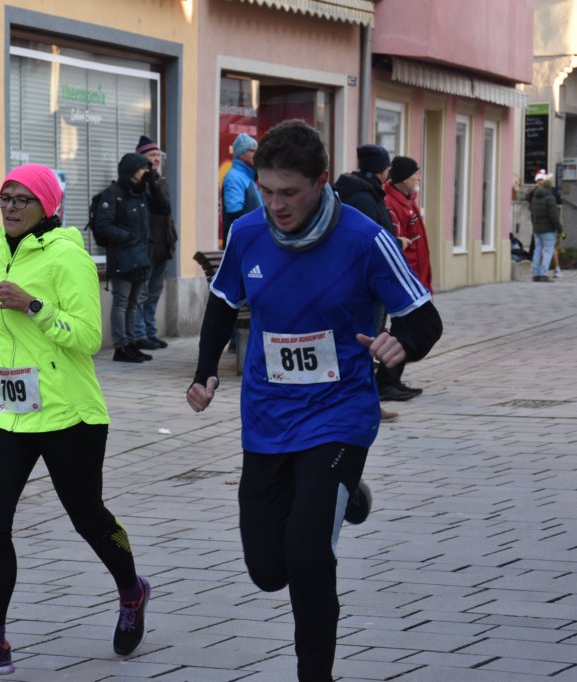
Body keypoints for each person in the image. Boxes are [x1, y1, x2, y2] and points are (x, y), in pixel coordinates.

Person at [185, 120, 442, 682]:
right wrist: (205, 373)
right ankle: (347, 499)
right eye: (266, 190)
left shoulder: (363, 238)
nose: (275, 205)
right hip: (267, 417)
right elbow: (223, 303)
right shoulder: (249, 233)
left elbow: (424, 318)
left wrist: (402, 343)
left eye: (289, 192)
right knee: (267, 570)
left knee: (306, 555)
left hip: (339, 416)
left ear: (321, 182)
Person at [0, 164, 151, 677]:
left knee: (89, 518)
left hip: (69, 412)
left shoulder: (69, 257)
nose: (10, 208)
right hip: (7, 408)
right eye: (4, 198)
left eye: (22, 199)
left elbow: (88, 338)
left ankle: (132, 591)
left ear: (46, 207)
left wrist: (34, 305)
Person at [335, 144, 408, 413]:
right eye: (386, 167)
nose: (388, 172)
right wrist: (395, 245)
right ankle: (363, 403)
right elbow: (366, 241)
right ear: (380, 170)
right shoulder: (364, 198)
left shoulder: (360, 191)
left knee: (364, 342)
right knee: (366, 343)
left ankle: (364, 401)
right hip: (364, 283)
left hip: (361, 281)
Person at [94, 152, 170, 362]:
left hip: (141, 256)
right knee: (121, 301)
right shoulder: (113, 193)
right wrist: (126, 237)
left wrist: (152, 183)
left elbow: (164, 208)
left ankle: (132, 343)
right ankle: (121, 346)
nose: (145, 172)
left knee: (134, 302)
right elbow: (103, 225)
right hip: (122, 256)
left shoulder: (142, 194)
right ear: (130, 171)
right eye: (142, 168)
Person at [381, 155, 432, 400]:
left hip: (414, 278)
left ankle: (392, 380)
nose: (418, 178)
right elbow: (397, 244)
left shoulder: (407, 201)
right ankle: (386, 381)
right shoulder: (392, 204)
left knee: (406, 330)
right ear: (403, 179)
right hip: (403, 279)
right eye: (415, 175)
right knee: (407, 331)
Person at [132, 136, 178, 351]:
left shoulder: (160, 181)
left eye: (158, 155)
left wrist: (171, 237)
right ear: (141, 158)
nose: (157, 159)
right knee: (141, 294)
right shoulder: (138, 183)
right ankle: (140, 334)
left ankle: (151, 331)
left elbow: (167, 211)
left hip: (162, 245)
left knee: (154, 292)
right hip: (146, 246)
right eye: (152, 155)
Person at [221, 132, 263, 237]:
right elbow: (235, 214)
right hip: (242, 240)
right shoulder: (234, 177)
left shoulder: (249, 177)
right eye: (252, 151)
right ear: (241, 154)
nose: (256, 154)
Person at [529, 170, 562, 282]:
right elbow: (554, 216)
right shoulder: (550, 198)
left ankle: (535, 274)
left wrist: (534, 225)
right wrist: (559, 229)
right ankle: (543, 274)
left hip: (537, 229)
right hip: (548, 229)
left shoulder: (534, 197)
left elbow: (532, 213)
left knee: (537, 250)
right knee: (548, 251)